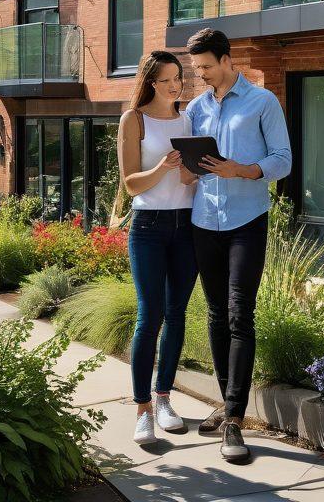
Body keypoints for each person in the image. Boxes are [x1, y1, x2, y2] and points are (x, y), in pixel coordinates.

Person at [185, 27, 292, 463]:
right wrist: (184, 167)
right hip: (203, 221)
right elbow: (191, 170)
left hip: (247, 221)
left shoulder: (262, 102)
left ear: (227, 59)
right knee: (214, 314)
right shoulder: (194, 107)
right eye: (197, 69)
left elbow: (283, 161)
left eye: (206, 67)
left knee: (238, 313)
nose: (202, 75)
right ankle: (224, 402)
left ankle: (234, 418)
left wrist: (241, 170)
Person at [118, 50, 199, 446]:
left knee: (176, 314)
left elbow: (196, 181)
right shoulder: (134, 120)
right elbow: (131, 183)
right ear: (151, 81)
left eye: (178, 78)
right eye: (166, 79)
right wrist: (163, 168)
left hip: (187, 226)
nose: (174, 85)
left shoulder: (190, 120)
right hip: (148, 226)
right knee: (149, 317)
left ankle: (165, 398)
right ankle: (142, 409)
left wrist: (190, 176)